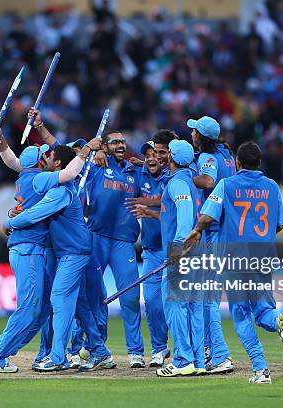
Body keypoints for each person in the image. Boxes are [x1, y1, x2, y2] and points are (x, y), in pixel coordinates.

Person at [0, 124, 107, 372]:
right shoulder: (42, 179)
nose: (48, 155)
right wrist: (86, 152)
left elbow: (17, 164)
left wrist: (0, 141)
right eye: (45, 154)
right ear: (41, 164)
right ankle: (2, 353)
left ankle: (17, 351)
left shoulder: (30, 178)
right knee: (38, 306)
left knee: (47, 306)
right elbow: (65, 174)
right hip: (36, 249)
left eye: (49, 154)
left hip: (50, 250)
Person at [185, 141, 283, 383]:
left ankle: (261, 369)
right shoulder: (272, 187)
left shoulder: (227, 184)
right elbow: (279, 224)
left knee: (241, 314)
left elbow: (209, 216)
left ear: (237, 163)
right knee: (264, 311)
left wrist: (197, 230)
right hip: (263, 257)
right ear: (260, 163)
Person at [9, 145, 115, 372]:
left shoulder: (60, 191)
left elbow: (35, 213)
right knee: (77, 303)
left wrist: (10, 223)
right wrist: (15, 210)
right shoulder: (56, 188)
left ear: (57, 163)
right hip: (68, 252)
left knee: (58, 298)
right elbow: (30, 206)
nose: (44, 158)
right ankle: (100, 351)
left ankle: (58, 357)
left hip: (73, 252)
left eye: (48, 156)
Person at [82, 130, 145, 368]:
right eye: (115, 142)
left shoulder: (135, 171)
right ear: (105, 146)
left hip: (123, 242)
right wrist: (92, 149)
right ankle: (94, 347)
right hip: (96, 237)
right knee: (94, 296)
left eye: (123, 142)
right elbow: (68, 153)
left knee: (130, 297)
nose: (120, 145)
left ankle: (135, 352)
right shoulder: (95, 167)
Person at [187, 116, 235, 374]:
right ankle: (209, 349)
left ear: (200, 136)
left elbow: (207, 182)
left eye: (193, 131)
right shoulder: (227, 154)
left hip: (213, 231)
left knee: (208, 299)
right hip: (226, 230)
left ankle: (219, 356)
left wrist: (184, 176)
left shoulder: (208, 158)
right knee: (209, 298)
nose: (191, 133)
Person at [156, 139, 205, 377]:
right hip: (194, 252)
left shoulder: (177, 183)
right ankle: (196, 360)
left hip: (182, 252)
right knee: (193, 307)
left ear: (172, 159)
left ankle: (183, 359)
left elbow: (185, 218)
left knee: (175, 305)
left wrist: (177, 247)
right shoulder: (189, 182)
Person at [126, 141, 170, 367]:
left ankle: (192, 348)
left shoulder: (174, 177)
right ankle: (160, 348)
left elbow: (169, 206)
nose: (151, 158)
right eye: (148, 155)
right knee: (152, 302)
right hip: (152, 250)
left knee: (175, 303)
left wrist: (148, 208)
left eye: (156, 154)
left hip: (175, 250)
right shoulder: (138, 175)